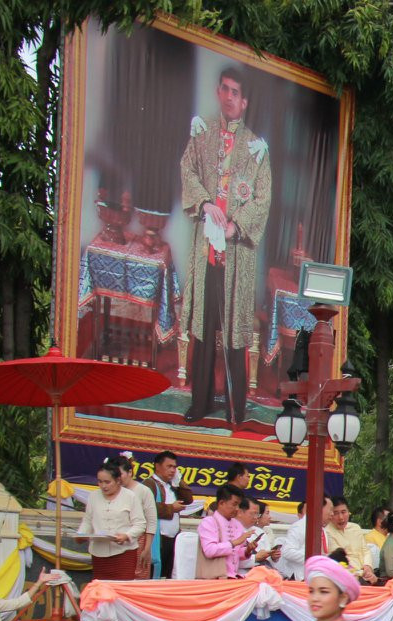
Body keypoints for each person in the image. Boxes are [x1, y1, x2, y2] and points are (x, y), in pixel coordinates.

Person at [180, 67, 272, 425]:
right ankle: (200, 402)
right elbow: (187, 170)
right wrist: (204, 202)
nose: (230, 96)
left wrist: (236, 226)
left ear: (244, 101)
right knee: (203, 328)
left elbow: (262, 198)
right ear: (219, 92)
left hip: (237, 254)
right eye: (226, 90)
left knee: (234, 328)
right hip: (206, 251)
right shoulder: (201, 135)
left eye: (237, 92)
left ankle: (236, 407)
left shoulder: (256, 150)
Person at [78, 458, 147, 581]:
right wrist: (81, 535)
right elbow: (88, 521)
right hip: (99, 553)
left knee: (122, 590)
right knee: (102, 591)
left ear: (118, 480)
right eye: (100, 482)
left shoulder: (130, 496)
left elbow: (140, 524)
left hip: (124, 553)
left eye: (107, 482)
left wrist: (127, 536)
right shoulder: (93, 496)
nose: (103, 486)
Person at [146, 451, 192, 578]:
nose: (172, 470)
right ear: (157, 466)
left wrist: (180, 481)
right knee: (154, 573)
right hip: (158, 540)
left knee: (168, 575)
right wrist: (171, 508)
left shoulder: (172, 485)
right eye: (169, 466)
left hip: (173, 539)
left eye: (175, 467)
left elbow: (188, 499)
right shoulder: (149, 484)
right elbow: (147, 508)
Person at [195, 484, 251, 579]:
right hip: (213, 578)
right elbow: (209, 550)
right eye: (234, 504)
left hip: (233, 576)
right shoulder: (209, 522)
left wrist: (247, 550)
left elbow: (236, 554)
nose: (237, 508)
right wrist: (234, 543)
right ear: (221, 503)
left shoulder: (238, 525)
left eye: (239, 505)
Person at [116, 454, 159, 578]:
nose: (117, 479)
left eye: (120, 474)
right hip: (118, 540)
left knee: (137, 575)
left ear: (130, 472)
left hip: (139, 541)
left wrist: (147, 548)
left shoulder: (143, 491)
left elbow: (151, 521)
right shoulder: (114, 491)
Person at [278, 498, 333, 581]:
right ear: (319, 508)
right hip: (300, 577)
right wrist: (312, 558)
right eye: (330, 510)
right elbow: (287, 551)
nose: (332, 514)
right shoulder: (300, 526)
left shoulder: (322, 529)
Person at [325, 498, 375, 582]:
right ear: (330, 514)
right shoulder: (327, 532)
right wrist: (361, 573)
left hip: (364, 573)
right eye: (336, 513)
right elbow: (341, 559)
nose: (341, 517)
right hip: (345, 576)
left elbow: (365, 550)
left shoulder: (355, 527)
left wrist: (368, 566)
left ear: (349, 512)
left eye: (343, 512)